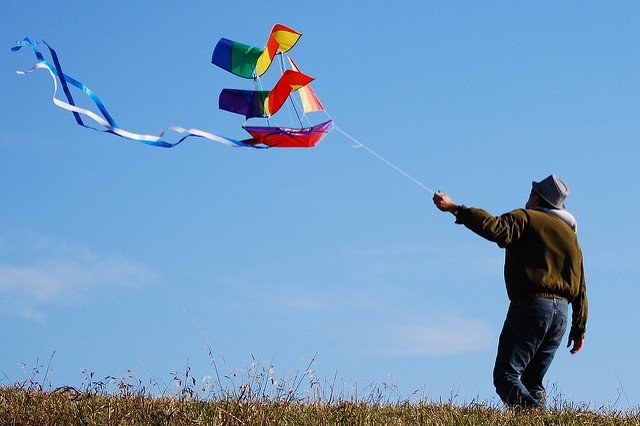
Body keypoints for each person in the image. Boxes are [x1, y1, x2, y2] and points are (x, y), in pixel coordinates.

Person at [432, 175, 588, 409]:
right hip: (562, 316)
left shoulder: (526, 218)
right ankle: (540, 420)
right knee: (532, 381)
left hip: (533, 306)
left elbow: (495, 229)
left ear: (536, 197)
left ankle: (535, 416)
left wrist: (455, 209)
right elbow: (581, 286)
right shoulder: (571, 238)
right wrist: (579, 329)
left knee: (505, 376)